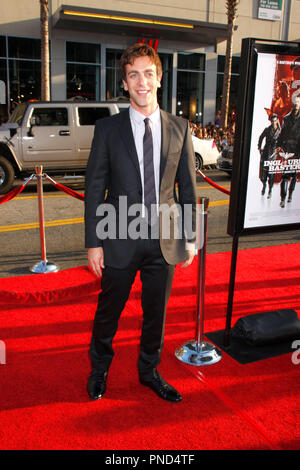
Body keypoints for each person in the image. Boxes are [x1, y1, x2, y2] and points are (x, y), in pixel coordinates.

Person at [84, 43, 197, 403]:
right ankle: (99, 368)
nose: (142, 81)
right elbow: (95, 188)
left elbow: (188, 188)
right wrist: (93, 242)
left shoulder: (180, 128)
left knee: (156, 314)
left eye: (149, 73)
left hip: (163, 237)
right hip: (118, 233)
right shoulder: (107, 129)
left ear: (159, 79)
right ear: (125, 82)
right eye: (134, 74)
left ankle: (149, 371)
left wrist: (190, 236)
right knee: (109, 311)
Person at [276, 95, 300, 207]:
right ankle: (283, 198)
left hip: (297, 149)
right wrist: (278, 145)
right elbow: (281, 134)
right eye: (295, 103)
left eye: (298, 103)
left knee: (294, 174)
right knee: (285, 174)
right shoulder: (286, 118)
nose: (296, 105)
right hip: (287, 149)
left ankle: (290, 195)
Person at [258, 114, 281, 199]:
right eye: (272, 121)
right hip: (265, 152)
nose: (273, 122)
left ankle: (270, 190)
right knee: (264, 173)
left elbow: (282, 142)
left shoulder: (279, 131)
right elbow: (261, 137)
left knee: (271, 174)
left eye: (275, 121)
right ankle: (264, 185)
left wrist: (279, 148)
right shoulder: (267, 129)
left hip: (273, 155)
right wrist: (259, 147)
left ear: (277, 120)